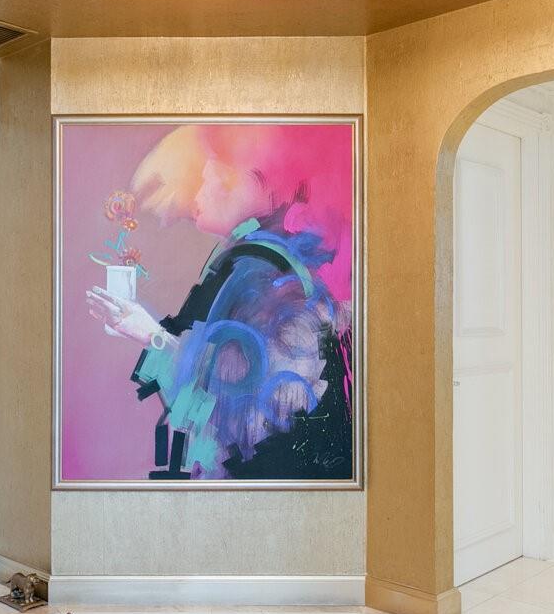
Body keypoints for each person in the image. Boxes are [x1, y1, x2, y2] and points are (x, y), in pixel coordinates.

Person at [85, 124, 353, 481]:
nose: (197, 191)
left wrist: (152, 337)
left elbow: (237, 402)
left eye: (210, 177)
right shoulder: (264, 257)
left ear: (249, 182)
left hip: (262, 479)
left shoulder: (257, 269)